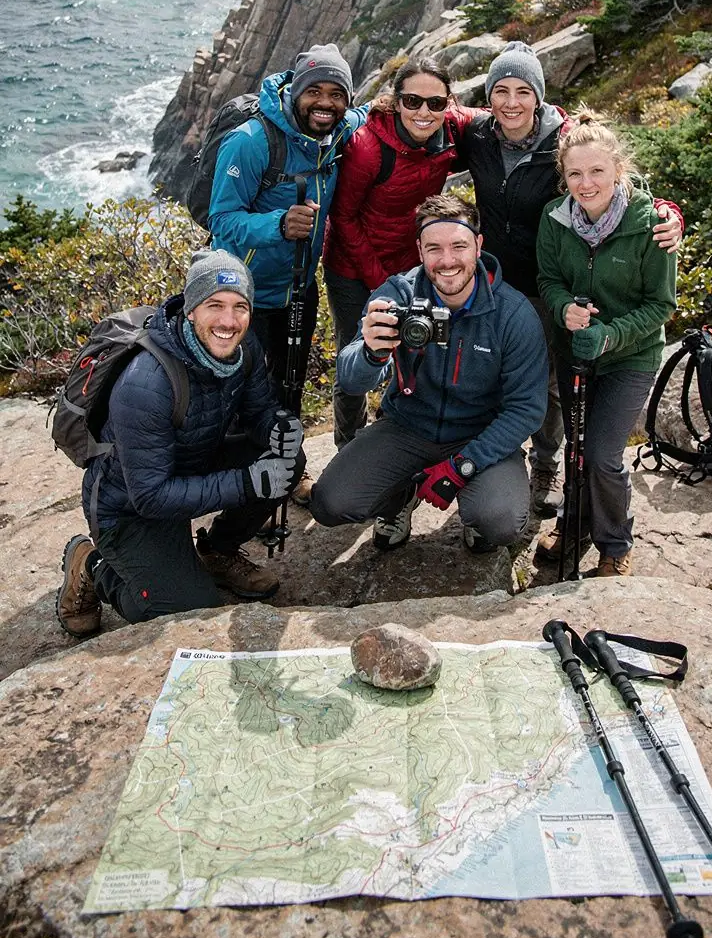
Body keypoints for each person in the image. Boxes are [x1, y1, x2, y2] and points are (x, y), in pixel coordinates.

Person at [455, 41, 683, 516]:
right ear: (488, 96)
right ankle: (504, 465)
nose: (511, 102)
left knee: (551, 386)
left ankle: (545, 463)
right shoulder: (476, 135)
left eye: (523, 90)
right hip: (495, 283)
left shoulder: (563, 138)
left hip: (549, 284)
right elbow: (429, 125)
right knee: (501, 375)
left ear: (539, 95)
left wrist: (667, 211)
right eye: (501, 90)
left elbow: (610, 177)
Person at [55, 250, 304, 636]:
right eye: (214, 305)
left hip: (192, 464)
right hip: (129, 508)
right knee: (186, 612)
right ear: (190, 310)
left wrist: (275, 427)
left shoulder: (244, 347)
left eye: (240, 306)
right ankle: (90, 564)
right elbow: (150, 497)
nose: (228, 320)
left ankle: (218, 551)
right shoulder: (146, 384)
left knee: (289, 460)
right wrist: (247, 482)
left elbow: (258, 410)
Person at [310, 194, 548, 555]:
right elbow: (352, 380)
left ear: (479, 246)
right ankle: (400, 496)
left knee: (498, 521)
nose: (447, 260)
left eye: (459, 246)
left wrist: (463, 467)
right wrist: (371, 353)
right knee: (330, 503)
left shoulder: (512, 314)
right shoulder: (398, 295)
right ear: (419, 250)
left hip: (478, 433)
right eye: (434, 248)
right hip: (407, 427)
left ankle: (477, 512)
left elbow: (526, 409)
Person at [208, 42, 367, 499]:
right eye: (314, 91)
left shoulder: (336, 133)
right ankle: (244, 490)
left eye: (337, 94)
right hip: (245, 296)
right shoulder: (252, 141)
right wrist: (278, 224)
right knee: (243, 395)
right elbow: (222, 219)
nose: (325, 103)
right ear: (295, 93)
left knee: (289, 385)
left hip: (298, 289)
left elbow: (375, 111)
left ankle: (287, 472)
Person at [536, 112, 677, 577]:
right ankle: (574, 523)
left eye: (597, 171)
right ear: (564, 176)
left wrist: (611, 335)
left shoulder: (650, 224)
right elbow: (550, 279)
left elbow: (661, 305)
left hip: (630, 357)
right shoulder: (555, 219)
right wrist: (563, 311)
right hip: (575, 352)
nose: (586, 182)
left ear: (619, 169)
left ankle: (615, 543)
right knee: (577, 445)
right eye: (575, 173)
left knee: (601, 454)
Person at [323, 58, 476, 449]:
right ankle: (349, 447)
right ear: (396, 101)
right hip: (354, 268)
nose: (424, 112)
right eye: (413, 101)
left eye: (436, 103)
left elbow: (502, 115)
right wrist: (381, 283)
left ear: (448, 103)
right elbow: (343, 219)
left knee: (413, 351)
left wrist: (562, 121)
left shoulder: (451, 129)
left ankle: (395, 439)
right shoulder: (369, 148)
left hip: (408, 266)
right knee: (357, 353)